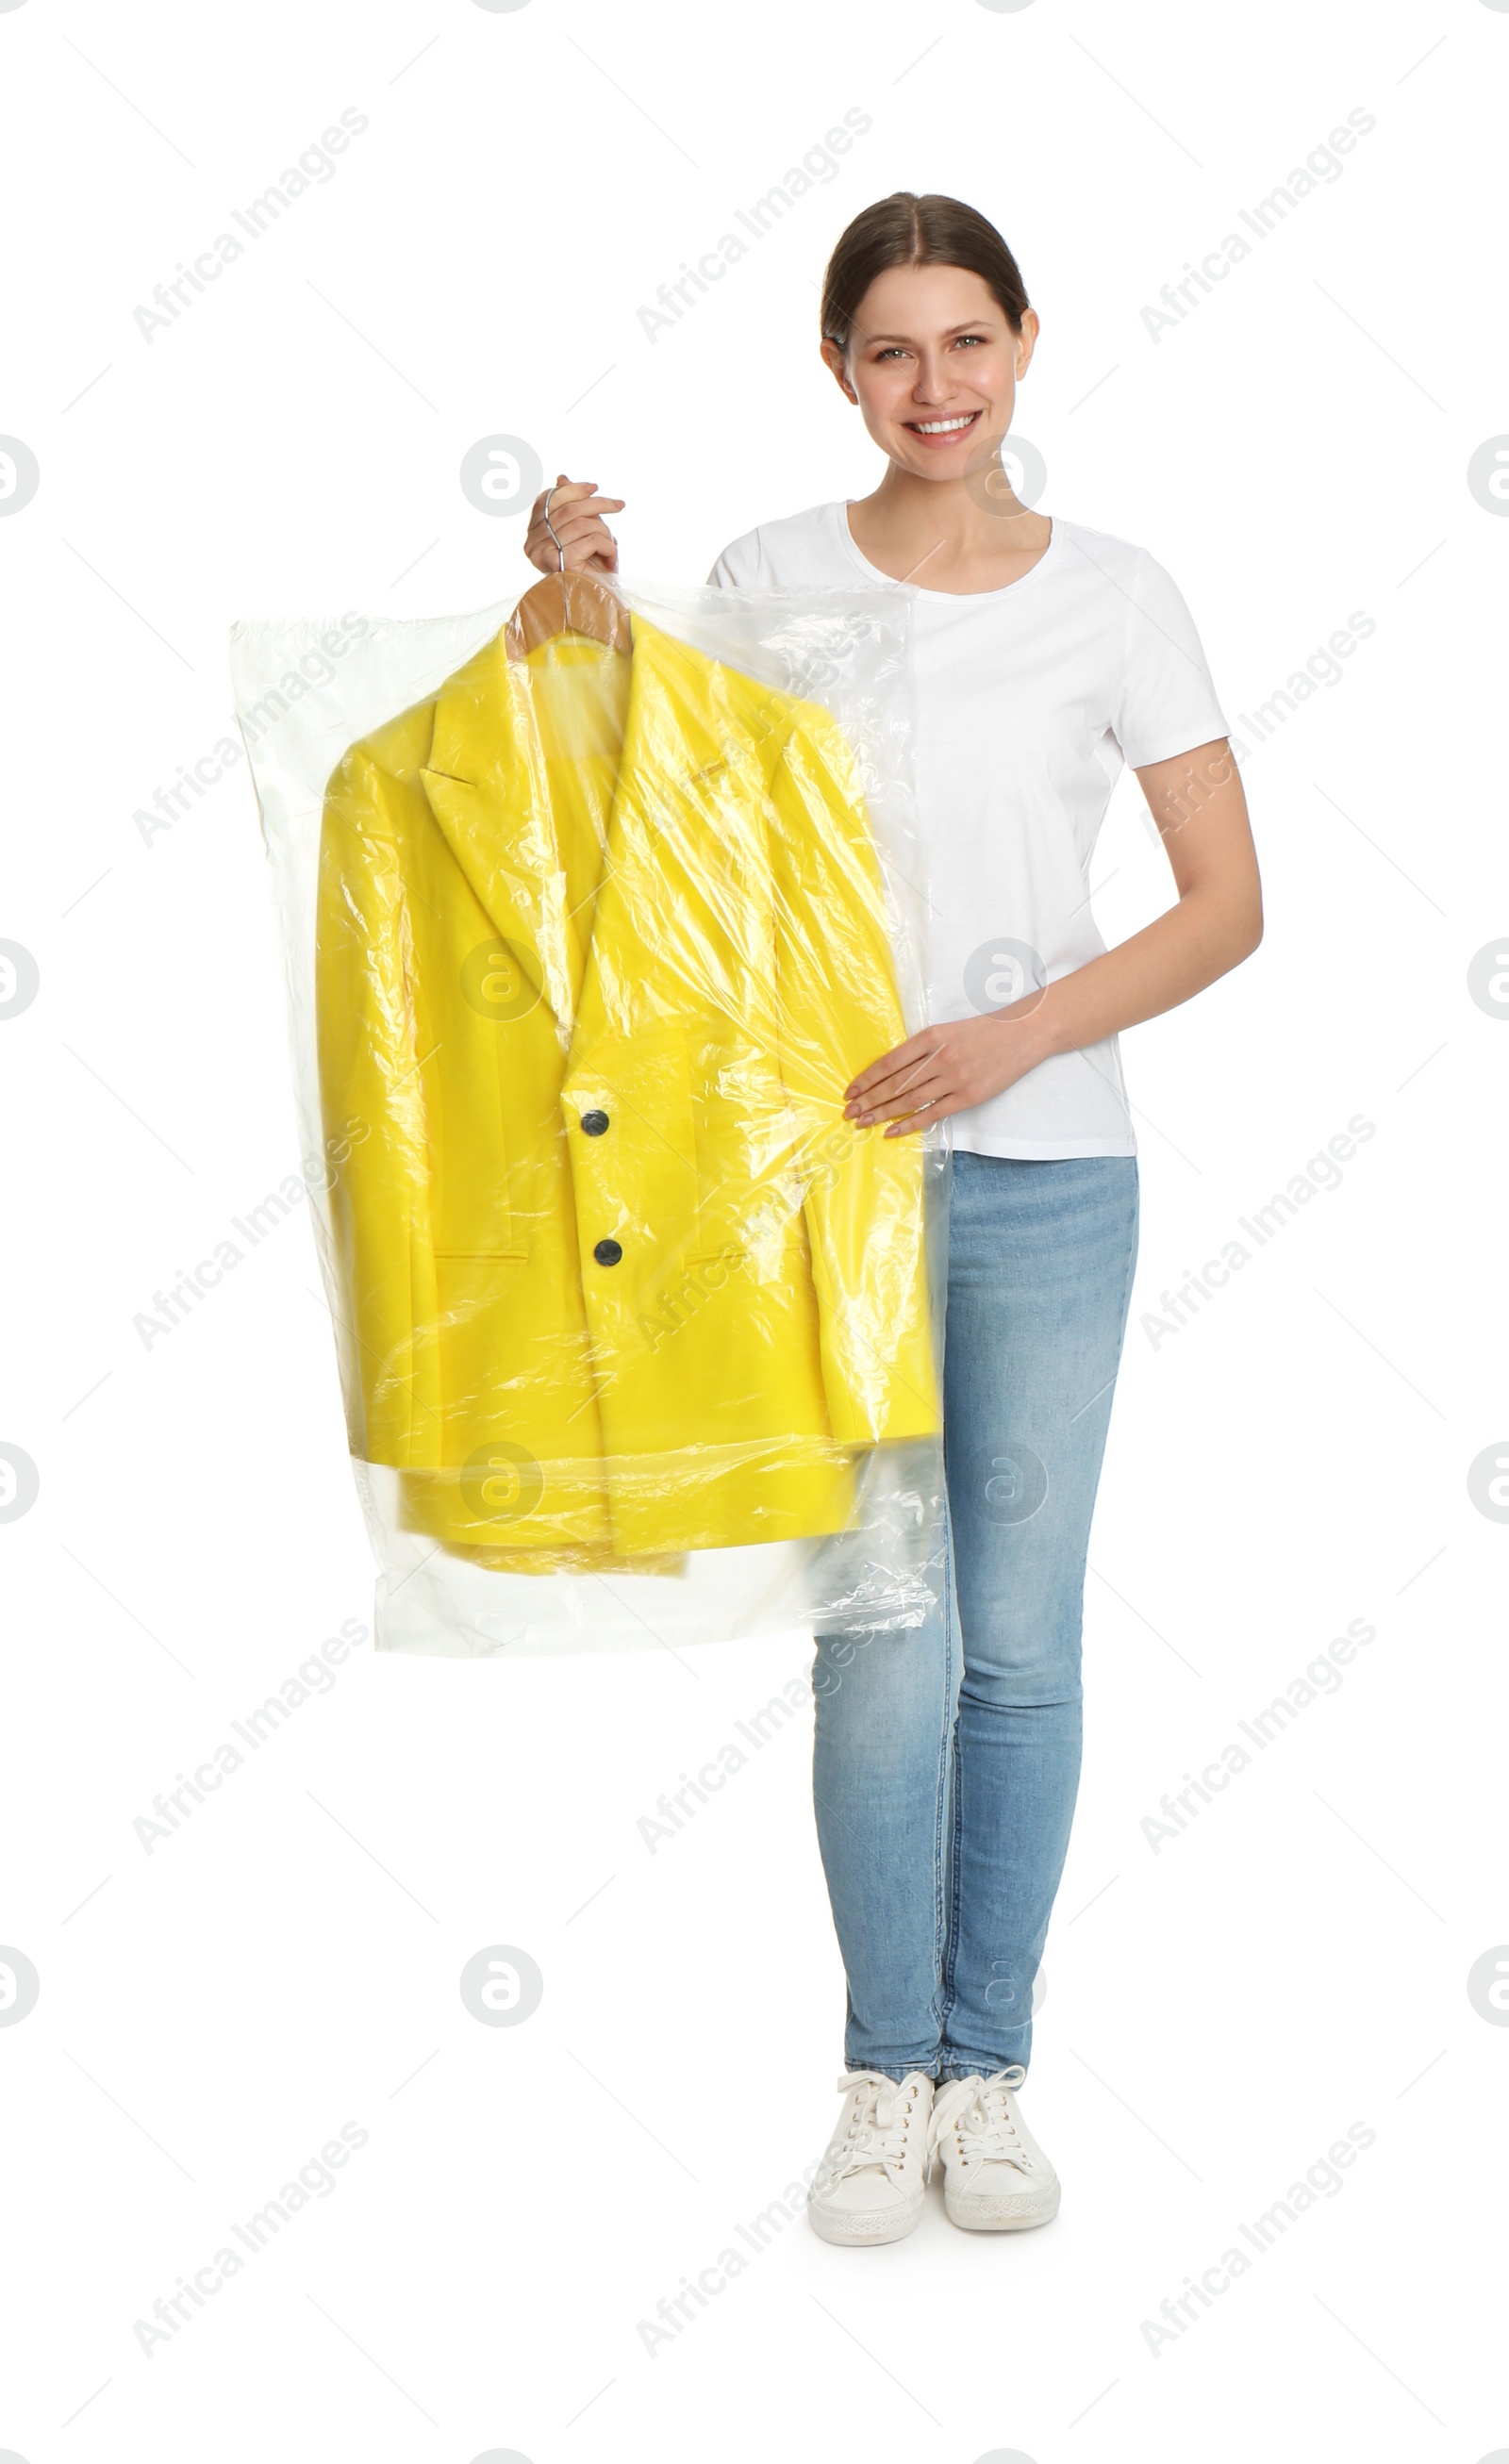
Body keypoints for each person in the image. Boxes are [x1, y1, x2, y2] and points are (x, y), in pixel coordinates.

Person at [522, 190, 1262, 2246]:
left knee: (1016, 1645)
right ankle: (876, 2077)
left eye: (965, 340)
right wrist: (577, 601)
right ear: (837, 371)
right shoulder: (770, 578)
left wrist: (1007, 1029)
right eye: (886, 351)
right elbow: (637, 814)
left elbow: (1227, 905)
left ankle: (985, 2071)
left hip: (1049, 1179)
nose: (931, 385)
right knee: (878, 1644)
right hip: (824, 1182)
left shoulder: (1116, 594)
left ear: (1026, 341)